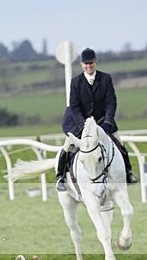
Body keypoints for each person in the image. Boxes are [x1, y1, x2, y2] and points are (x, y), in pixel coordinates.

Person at [56, 47, 138, 190]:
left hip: (102, 121)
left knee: (119, 143)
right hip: (80, 123)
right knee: (67, 146)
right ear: (82, 64)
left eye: (91, 63)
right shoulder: (76, 82)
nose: (89, 66)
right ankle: (61, 177)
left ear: (96, 62)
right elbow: (74, 106)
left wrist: (108, 121)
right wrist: (82, 125)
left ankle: (128, 172)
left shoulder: (105, 78)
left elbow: (111, 102)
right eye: (86, 63)